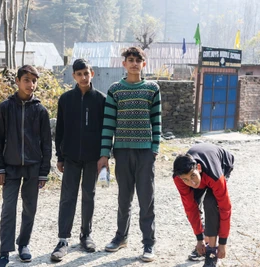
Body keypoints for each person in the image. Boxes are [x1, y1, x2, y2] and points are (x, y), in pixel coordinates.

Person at [97, 46, 162, 262]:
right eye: (130, 60)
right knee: (124, 198)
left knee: (146, 199)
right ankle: (120, 237)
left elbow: (157, 121)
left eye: (138, 60)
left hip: (145, 153)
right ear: (123, 64)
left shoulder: (152, 88)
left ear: (144, 64)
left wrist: (154, 149)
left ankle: (148, 244)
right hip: (122, 152)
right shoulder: (115, 90)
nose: (134, 63)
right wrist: (104, 154)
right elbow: (108, 124)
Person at [0, 65, 52, 267]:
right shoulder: (5, 107)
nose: (30, 84)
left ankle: (23, 244)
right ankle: (4, 252)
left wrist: (43, 172)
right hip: (10, 167)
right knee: (9, 208)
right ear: (17, 81)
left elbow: (46, 143)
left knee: (30, 208)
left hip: (33, 167)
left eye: (34, 81)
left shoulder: (40, 110)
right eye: (26, 80)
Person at [50, 59, 106, 261]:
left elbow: (106, 131)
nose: (83, 77)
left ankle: (86, 235)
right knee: (67, 197)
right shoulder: (66, 99)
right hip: (71, 158)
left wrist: (104, 156)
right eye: (79, 74)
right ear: (74, 76)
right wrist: (60, 156)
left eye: (86, 73)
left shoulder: (101, 99)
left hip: (93, 158)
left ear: (92, 73)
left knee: (88, 195)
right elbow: (61, 130)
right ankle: (63, 239)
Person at [172, 143, 234, 267]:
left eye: (193, 176)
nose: (191, 182)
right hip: (202, 172)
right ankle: (205, 241)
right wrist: (199, 238)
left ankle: (211, 251)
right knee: (193, 204)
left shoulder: (215, 176)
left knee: (211, 202)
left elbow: (225, 208)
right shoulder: (179, 178)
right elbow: (190, 209)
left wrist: (222, 243)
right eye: (186, 179)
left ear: (198, 168)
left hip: (222, 164)